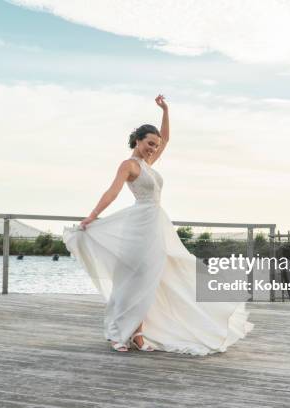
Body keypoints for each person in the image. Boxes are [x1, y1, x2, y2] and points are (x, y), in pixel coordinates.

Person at [63, 95, 253, 355]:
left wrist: (166, 110)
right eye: (149, 144)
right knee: (134, 280)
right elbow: (113, 191)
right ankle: (123, 333)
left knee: (152, 279)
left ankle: (138, 333)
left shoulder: (148, 164)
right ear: (138, 141)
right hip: (139, 226)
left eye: (155, 145)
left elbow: (166, 138)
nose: (153, 148)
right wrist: (92, 215)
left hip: (156, 225)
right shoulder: (129, 165)